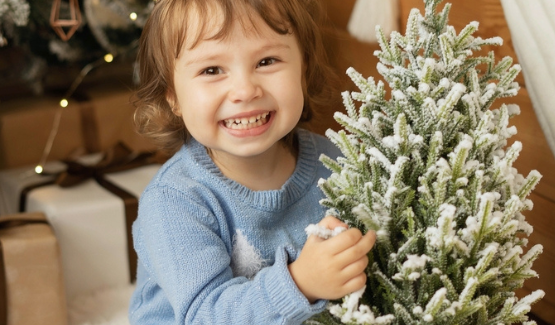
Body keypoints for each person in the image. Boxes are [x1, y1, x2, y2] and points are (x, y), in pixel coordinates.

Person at [128, 0, 377, 323]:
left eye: (266, 61)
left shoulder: (338, 163)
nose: (245, 90)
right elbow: (205, 316)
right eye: (212, 70)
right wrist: (300, 283)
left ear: (303, 69)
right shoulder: (173, 202)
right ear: (172, 96)